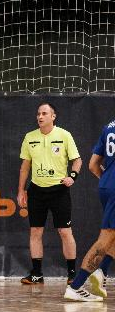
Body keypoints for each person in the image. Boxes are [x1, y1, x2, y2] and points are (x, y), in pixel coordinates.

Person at [17, 103, 82, 285]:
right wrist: (21, 190)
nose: (40, 116)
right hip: (36, 191)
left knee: (64, 231)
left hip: (59, 191)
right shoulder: (30, 137)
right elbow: (25, 167)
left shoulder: (64, 135)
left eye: (44, 113)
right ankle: (37, 274)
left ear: (53, 116)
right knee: (36, 231)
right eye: (38, 113)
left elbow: (77, 160)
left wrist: (72, 176)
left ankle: (72, 274)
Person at [63, 117, 115, 301]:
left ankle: (102, 272)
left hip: (107, 185)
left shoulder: (109, 126)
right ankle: (76, 286)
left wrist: (108, 182)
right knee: (106, 237)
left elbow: (93, 165)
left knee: (113, 233)